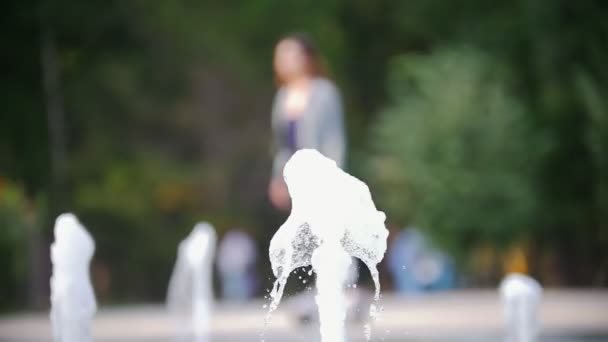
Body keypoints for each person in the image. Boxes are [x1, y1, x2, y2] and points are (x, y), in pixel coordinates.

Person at [268, 33, 346, 211]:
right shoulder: (282, 96)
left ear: (306, 58)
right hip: (293, 183)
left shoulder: (325, 92)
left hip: (321, 180)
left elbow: (334, 142)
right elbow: (280, 146)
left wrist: (332, 180)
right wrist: (277, 179)